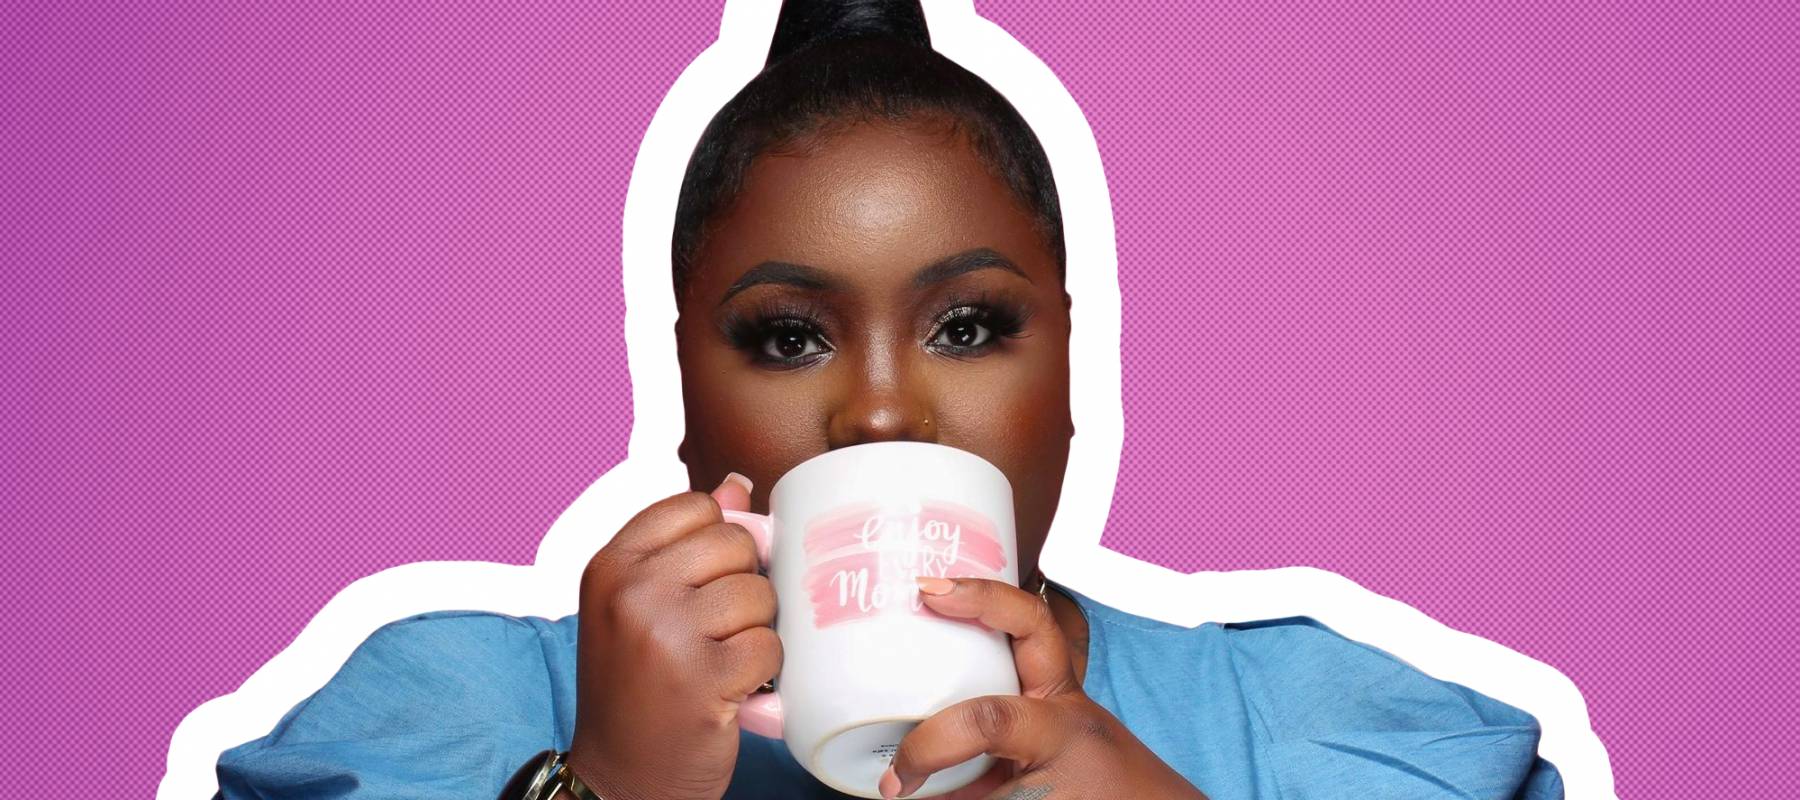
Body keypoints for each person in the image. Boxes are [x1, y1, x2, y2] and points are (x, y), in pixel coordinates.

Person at [214, 1, 1565, 798]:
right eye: (789, 337)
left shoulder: (1315, 731)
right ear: (684, 391)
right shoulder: (454, 710)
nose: (878, 414)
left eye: (970, 326)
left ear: (1074, 371)